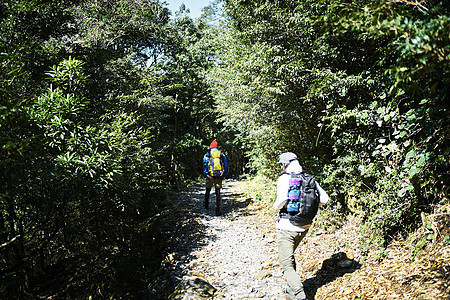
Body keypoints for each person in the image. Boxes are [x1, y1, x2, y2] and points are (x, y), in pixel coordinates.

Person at [272, 152, 329, 300]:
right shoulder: (309, 178)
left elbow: (282, 199)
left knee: (285, 265)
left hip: (287, 226)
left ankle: (300, 294)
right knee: (289, 257)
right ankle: (291, 290)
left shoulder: (284, 179)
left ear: (285, 164)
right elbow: (324, 199)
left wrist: (275, 206)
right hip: (304, 226)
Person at [203, 140, 228, 216]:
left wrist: (206, 175)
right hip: (219, 176)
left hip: (210, 176)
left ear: (210, 147)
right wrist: (224, 175)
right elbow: (226, 166)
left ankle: (206, 205)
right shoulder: (221, 155)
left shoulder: (207, 155)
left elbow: (205, 165)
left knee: (208, 190)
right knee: (218, 192)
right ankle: (217, 209)